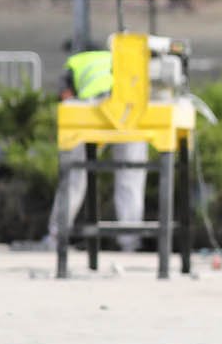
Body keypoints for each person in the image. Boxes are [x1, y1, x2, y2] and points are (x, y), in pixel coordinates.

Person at [48, 43, 148, 253]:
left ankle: (57, 237)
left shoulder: (75, 63)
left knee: (74, 177)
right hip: (126, 112)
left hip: (89, 113)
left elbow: (65, 96)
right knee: (130, 176)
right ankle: (130, 243)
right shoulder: (116, 58)